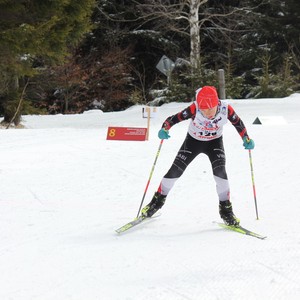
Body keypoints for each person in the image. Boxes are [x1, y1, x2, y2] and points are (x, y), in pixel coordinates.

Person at [141, 86, 254, 226]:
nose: (207, 113)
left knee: (220, 172)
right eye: (203, 110)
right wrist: (165, 128)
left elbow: (238, 123)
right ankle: (156, 203)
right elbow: (173, 118)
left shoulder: (225, 109)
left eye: (210, 109)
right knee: (175, 171)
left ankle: (226, 211)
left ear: (216, 103)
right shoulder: (194, 108)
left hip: (214, 143)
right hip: (193, 142)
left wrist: (246, 138)